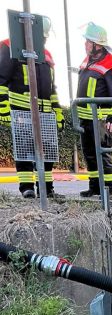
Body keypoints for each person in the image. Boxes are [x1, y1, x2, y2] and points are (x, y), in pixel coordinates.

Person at [0, 16, 65, 199]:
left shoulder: (47, 55)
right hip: (21, 110)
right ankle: (27, 188)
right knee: (25, 149)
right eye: (42, 37)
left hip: (45, 112)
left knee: (48, 151)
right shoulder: (9, 47)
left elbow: (52, 88)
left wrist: (58, 112)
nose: (43, 40)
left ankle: (47, 188)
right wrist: (3, 108)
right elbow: (1, 80)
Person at [77, 22, 112, 199]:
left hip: (102, 120)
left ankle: (110, 189)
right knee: (90, 155)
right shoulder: (87, 60)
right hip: (85, 119)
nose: (85, 44)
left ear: (97, 44)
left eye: (88, 41)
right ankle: (94, 187)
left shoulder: (109, 63)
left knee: (105, 154)